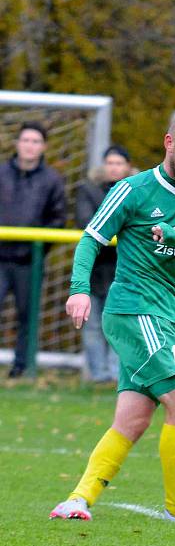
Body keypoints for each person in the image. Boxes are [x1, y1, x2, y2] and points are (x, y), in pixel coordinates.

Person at [50, 110, 175, 526]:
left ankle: (78, 499)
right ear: (169, 143)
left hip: (164, 317)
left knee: (132, 418)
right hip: (134, 311)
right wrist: (79, 289)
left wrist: (171, 233)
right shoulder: (131, 189)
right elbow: (91, 239)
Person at [0, 121, 67, 377]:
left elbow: (58, 219)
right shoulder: (1, 173)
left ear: (43, 147)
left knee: (27, 316)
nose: (29, 146)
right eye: (26, 140)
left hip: (30, 262)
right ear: (17, 143)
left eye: (35, 141)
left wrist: (37, 249)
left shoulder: (52, 180)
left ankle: (21, 368)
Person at [74, 146, 135, 383]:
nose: (114, 167)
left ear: (128, 167)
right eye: (110, 162)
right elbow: (87, 223)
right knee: (92, 325)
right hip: (95, 268)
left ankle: (116, 374)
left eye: (119, 163)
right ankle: (98, 376)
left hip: (125, 268)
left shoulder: (138, 190)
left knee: (120, 324)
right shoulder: (87, 190)